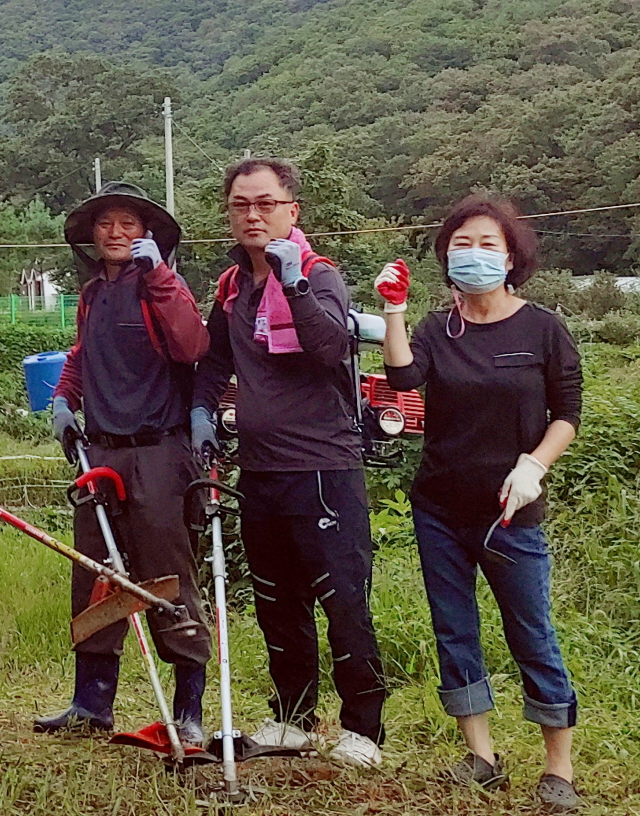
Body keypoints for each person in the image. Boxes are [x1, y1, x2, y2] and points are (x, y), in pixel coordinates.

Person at [376, 198, 583, 814]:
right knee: (455, 628)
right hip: (439, 505)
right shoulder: (438, 329)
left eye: (488, 244)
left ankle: (560, 767)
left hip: (511, 509)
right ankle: (482, 758)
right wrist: (392, 312)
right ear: (446, 256)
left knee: (532, 630)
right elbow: (403, 382)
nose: (474, 254)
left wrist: (535, 465)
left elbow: (567, 414)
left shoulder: (543, 329)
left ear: (512, 256)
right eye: (462, 243)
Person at [193, 157, 387, 768]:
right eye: (241, 205)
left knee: (343, 599)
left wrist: (294, 281)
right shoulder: (230, 288)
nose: (254, 214)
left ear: (291, 210)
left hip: (325, 468)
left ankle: (362, 730)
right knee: (278, 600)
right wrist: (202, 414)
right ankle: (294, 718)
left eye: (266, 203)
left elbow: (331, 347)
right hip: (261, 468)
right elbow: (213, 364)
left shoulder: (319, 276)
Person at [40, 183, 213, 744]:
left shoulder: (164, 285)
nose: (116, 233)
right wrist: (64, 400)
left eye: (128, 224)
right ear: (92, 236)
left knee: (170, 574)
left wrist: (160, 276)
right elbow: (82, 356)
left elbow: (192, 346)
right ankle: (92, 704)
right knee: (95, 572)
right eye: (106, 224)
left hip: (160, 450)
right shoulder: (92, 295)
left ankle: (188, 709)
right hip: (102, 448)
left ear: (148, 235)